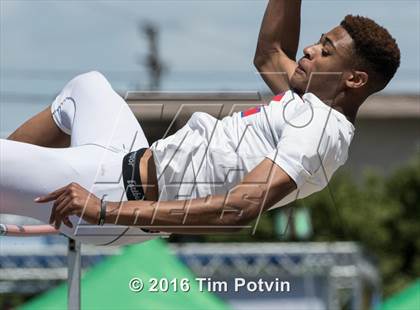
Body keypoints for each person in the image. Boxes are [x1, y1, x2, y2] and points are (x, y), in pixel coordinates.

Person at [0, 0, 400, 245]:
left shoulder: (321, 130)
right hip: (126, 163)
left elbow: (237, 210)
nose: (311, 50)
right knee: (87, 87)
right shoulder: (307, 101)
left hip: (112, 193)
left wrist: (103, 209)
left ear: (354, 79)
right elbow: (270, 53)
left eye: (326, 51)